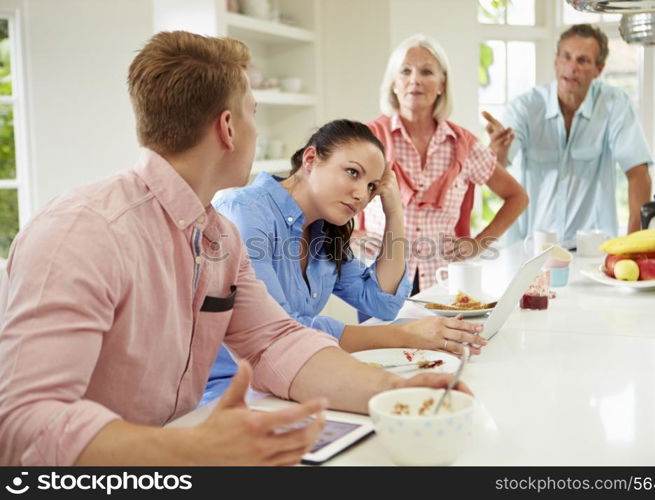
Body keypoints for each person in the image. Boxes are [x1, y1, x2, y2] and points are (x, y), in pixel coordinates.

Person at [0, 31, 469, 466]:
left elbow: (275, 341)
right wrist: (189, 449)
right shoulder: (81, 232)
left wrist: (392, 393)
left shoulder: (219, 236)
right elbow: (24, 424)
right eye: (254, 113)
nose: (256, 131)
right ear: (228, 127)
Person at [204, 119, 488, 405]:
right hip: (229, 393)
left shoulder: (325, 230)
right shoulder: (245, 212)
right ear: (311, 159)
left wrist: (395, 213)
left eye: (371, 187)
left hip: (286, 386)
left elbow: (380, 302)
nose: (361, 195)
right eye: (353, 173)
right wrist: (403, 334)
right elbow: (283, 332)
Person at [356, 34, 528, 294]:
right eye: (405, 71)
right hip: (377, 279)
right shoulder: (368, 139)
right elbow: (332, 194)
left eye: (427, 72)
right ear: (394, 83)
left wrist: (479, 244)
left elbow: (517, 197)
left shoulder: (464, 144)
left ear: (441, 84)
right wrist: (349, 235)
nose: (415, 80)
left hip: (442, 281)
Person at [489, 24, 652, 247]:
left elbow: (638, 173)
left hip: (593, 250)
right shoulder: (525, 108)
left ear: (599, 69)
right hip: (531, 248)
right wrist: (497, 153)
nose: (571, 67)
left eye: (583, 60)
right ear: (556, 62)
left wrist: (633, 245)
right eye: (566, 57)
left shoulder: (614, 104)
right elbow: (498, 167)